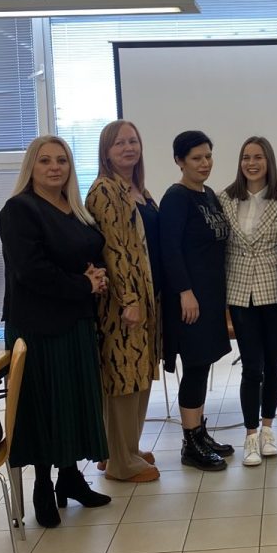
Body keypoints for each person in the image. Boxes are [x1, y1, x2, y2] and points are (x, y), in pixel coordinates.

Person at [0, 135, 111, 529]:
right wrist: (84, 283)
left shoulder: (74, 209)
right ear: (31, 167)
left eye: (61, 160)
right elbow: (32, 271)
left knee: (72, 403)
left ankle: (70, 478)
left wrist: (95, 276)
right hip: (37, 328)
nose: (54, 167)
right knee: (43, 407)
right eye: (45, 160)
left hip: (75, 320)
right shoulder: (20, 209)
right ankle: (43, 487)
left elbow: (85, 253)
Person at [86, 120, 160, 484]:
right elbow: (113, 250)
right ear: (106, 151)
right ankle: (121, 463)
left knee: (139, 375)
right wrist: (129, 300)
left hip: (147, 298)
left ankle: (125, 448)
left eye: (133, 141)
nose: (128, 148)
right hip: (123, 304)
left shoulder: (139, 190)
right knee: (123, 378)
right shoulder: (104, 190)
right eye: (119, 143)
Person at [159, 129, 233, 471]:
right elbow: (170, 250)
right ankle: (190, 443)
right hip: (190, 300)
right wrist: (184, 292)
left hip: (211, 296)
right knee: (194, 366)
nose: (204, 163)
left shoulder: (208, 195)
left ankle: (200, 433)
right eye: (196, 158)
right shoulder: (177, 198)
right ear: (179, 161)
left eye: (208, 156)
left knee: (202, 365)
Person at [219, 136, 277, 466]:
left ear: (268, 161)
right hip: (238, 290)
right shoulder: (225, 198)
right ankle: (250, 434)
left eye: (258, 157)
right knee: (251, 366)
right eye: (246, 157)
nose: (252, 163)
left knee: (274, 363)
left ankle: (267, 429)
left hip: (273, 289)